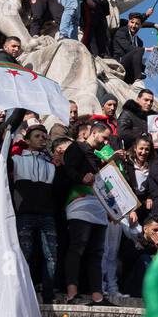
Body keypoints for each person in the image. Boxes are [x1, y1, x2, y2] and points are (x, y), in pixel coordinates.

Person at [57, 119, 110, 305]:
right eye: (104, 138)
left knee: (96, 252)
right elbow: (68, 170)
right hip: (79, 204)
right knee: (77, 247)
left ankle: (97, 295)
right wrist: (81, 177)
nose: (105, 143)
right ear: (93, 133)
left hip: (99, 205)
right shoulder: (76, 148)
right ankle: (72, 293)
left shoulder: (97, 156)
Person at [9, 121, 59, 304]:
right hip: (25, 214)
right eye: (37, 136)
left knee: (51, 256)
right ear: (27, 140)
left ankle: (48, 295)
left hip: (47, 215)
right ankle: (25, 295)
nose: (42, 139)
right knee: (24, 255)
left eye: (44, 137)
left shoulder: (52, 165)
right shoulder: (16, 160)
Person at [105, 134, 153, 304]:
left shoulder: (150, 167)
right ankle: (106, 287)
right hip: (118, 210)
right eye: (141, 148)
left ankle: (113, 287)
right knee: (109, 251)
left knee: (134, 243)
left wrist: (148, 198)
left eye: (147, 149)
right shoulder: (124, 165)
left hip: (136, 213)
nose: (144, 152)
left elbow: (149, 188)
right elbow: (118, 184)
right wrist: (130, 207)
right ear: (134, 149)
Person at [120, 213, 158, 299]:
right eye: (155, 230)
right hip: (133, 287)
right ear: (145, 229)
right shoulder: (133, 241)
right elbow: (127, 262)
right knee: (145, 259)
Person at [109, 13, 157, 85]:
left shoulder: (139, 42)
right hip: (119, 61)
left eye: (137, 24)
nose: (134, 26)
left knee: (139, 52)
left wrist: (152, 69)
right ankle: (137, 76)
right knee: (139, 50)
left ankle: (136, 77)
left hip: (129, 71)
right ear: (128, 22)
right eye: (132, 22)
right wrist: (146, 49)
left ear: (141, 26)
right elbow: (128, 47)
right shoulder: (121, 32)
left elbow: (137, 61)